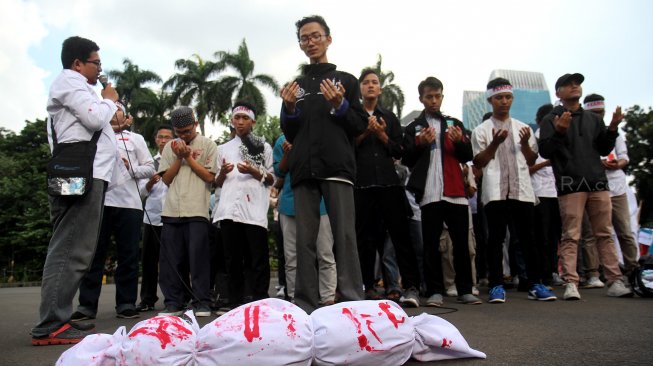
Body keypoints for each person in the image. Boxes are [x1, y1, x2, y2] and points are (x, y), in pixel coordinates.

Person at [32, 36, 120, 345]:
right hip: (81, 175)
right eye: (96, 63)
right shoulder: (69, 82)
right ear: (77, 63)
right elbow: (95, 118)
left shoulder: (76, 87)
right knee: (70, 248)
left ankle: (59, 318)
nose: (99, 69)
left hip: (84, 175)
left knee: (75, 249)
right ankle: (51, 324)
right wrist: (109, 98)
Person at [279, 15, 367, 313]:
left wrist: (340, 105)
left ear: (328, 39)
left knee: (343, 236)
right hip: (303, 170)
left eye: (316, 36)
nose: (310, 42)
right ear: (300, 44)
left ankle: (352, 299)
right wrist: (290, 108)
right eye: (304, 38)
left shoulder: (347, 81)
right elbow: (290, 132)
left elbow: (358, 124)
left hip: (337, 168)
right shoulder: (296, 87)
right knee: (304, 240)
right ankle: (304, 303)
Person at [538, 73, 632, 300]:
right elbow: (545, 151)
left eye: (577, 83)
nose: (575, 86)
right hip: (571, 184)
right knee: (571, 235)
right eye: (569, 84)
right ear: (558, 92)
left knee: (604, 234)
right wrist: (559, 131)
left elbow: (602, 147)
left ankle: (615, 280)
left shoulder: (593, 118)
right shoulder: (551, 118)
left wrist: (612, 128)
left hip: (598, 182)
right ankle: (571, 282)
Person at [472, 77, 557, 303]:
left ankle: (536, 283)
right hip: (496, 190)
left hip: (521, 190)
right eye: (499, 97)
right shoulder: (481, 130)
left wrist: (526, 144)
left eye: (508, 97)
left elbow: (530, 160)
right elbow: (479, 161)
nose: (504, 102)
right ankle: (496, 286)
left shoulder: (524, 128)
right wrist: (495, 144)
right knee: (495, 240)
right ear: (490, 99)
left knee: (528, 239)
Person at [70, 102, 155, 322]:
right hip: (99, 201)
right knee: (94, 254)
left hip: (130, 204)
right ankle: (87, 305)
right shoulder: (94, 134)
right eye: (111, 107)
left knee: (128, 255)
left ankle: (126, 303)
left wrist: (131, 168)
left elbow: (150, 167)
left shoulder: (136, 139)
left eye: (119, 108)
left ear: (126, 116)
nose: (114, 111)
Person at [402, 76, 481, 306]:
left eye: (437, 96)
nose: (434, 101)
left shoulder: (454, 122)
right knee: (431, 244)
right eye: (429, 97)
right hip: (429, 192)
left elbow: (468, 156)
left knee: (461, 243)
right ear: (421, 99)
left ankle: (466, 289)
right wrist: (419, 143)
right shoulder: (413, 127)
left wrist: (459, 142)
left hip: (456, 191)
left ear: (442, 97)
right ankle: (435, 290)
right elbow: (406, 158)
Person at [354, 69, 422, 307]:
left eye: (374, 82)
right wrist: (366, 131)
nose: (370, 86)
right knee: (365, 239)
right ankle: (368, 287)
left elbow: (400, 150)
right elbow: (347, 148)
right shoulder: (353, 116)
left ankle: (410, 287)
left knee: (400, 237)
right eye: (366, 82)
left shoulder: (390, 118)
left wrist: (381, 134)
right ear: (360, 89)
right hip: (361, 185)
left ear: (380, 89)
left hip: (389, 183)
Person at [157, 106, 218, 316]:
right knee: (172, 260)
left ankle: (201, 301)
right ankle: (174, 302)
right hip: (172, 209)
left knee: (198, 259)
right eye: (179, 132)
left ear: (196, 124)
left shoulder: (208, 145)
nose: (183, 136)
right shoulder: (169, 148)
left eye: (187, 131)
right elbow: (166, 179)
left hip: (197, 210)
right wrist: (178, 157)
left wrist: (188, 158)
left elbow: (210, 177)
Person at [214, 102, 274, 311]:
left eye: (245, 118)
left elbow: (271, 179)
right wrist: (222, 172)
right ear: (232, 120)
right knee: (232, 259)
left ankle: (260, 300)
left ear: (253, 122)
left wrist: (254, 171)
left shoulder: (262, 146)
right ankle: (235, 302)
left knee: (257, 259)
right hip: (229, 210)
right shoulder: (222, 149)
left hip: (253, 210)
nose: (240, 122)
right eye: (237, 118)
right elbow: (217, 182)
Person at [273, 134, 337, 305]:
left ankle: (328, 299)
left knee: (325, 253)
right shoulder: (282, 140)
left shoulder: (322, 134)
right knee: (292, 257)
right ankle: (295, 299)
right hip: (290, 204)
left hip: (321, 203)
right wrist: (288, 154)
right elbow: (279, 171)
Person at [584, 94, 639, 276]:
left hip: (617, 188)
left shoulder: (614, 132)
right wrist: (598, 163)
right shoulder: (583, 134)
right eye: (594, 113)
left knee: (624, 230)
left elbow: (624, 157)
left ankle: (633, 268)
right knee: (594, 233)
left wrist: (618, 164)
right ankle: (594, 272)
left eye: (601, 112)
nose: (598, 116)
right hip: (593, 187)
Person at [136, 125, 174, 312]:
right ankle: (147, 298)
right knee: (149, 261)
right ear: (156, 140)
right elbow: (140, 193)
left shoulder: (178, 161)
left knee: (174, 260)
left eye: (168, 137)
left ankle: (174, 298)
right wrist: (151, 182)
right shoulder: (150, 164)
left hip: (173, 215)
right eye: (161, 137)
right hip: (151, 216)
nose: (164, 140)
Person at [530, 103, 563, 286]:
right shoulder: (532, 140)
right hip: (539, 193)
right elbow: (527, 167)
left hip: (557, 192)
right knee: (540, 236)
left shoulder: (559, 138)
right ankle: (542, 272)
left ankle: (553, 270)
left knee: (555, 236)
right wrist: (545, 163)